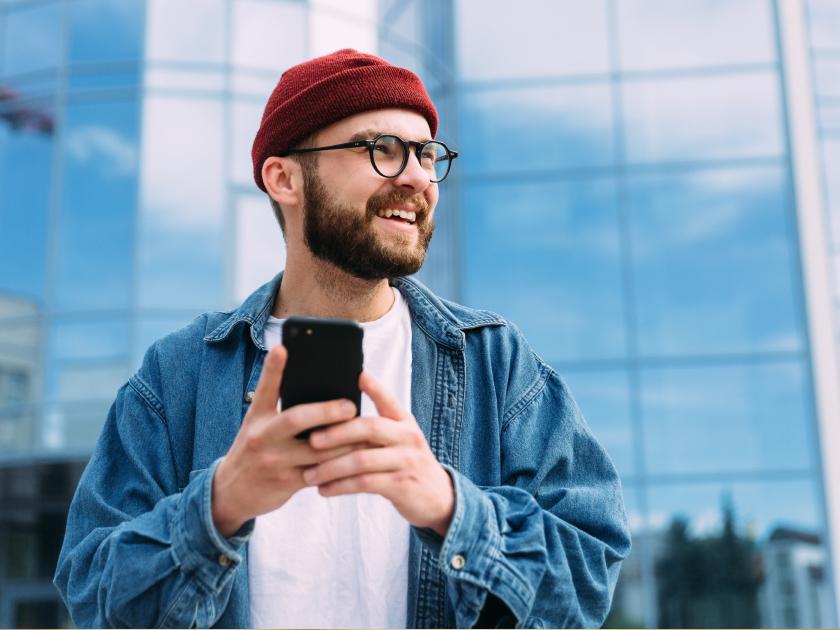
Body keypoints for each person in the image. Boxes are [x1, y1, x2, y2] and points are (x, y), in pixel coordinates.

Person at [54, 49, 630, 628]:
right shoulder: (180, 372)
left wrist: (452, 507)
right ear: (284, 178)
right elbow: (93, 598)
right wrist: (219, 506)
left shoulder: (494, 361)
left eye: (428, 154)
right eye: (381, 149)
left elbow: (586, 578)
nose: (417, 179)